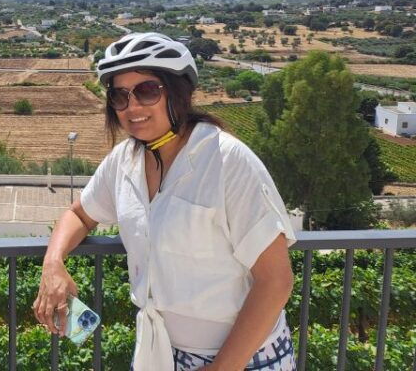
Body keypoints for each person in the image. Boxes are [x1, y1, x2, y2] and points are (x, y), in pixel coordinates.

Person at [33, 33, 297, 371]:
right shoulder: (123, 161)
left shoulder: (226, 159)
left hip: (245, 358)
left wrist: (222, 367)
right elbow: (79, 214)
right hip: (161, 353)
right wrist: (53, 263)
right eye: (119, 95)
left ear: (178, 92)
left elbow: (276, 280)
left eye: (147, 91)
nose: (132, 107)